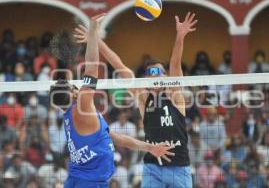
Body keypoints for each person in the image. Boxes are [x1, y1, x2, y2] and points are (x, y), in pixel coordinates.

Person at [74, 11, 198, 187]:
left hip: (178, 167)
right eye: (151, 72)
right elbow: (119, 65)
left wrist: (180, 36)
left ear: (165, 76)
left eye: (158, 72)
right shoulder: (142, 97)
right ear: (146, 78)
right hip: (152, 166)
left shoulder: (175, 96)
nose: (154, 76)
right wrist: (94, 39)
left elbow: (175, 64)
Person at [50, 14, 174, 188]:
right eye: (73, 87)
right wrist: (93, 31)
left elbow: (115, 138)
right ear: (72, 94)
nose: (77, 87)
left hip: (85, 180)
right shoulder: (82, 108)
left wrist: (149, 148)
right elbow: (92, 66)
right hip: (88, 183)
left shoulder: (71, 115)